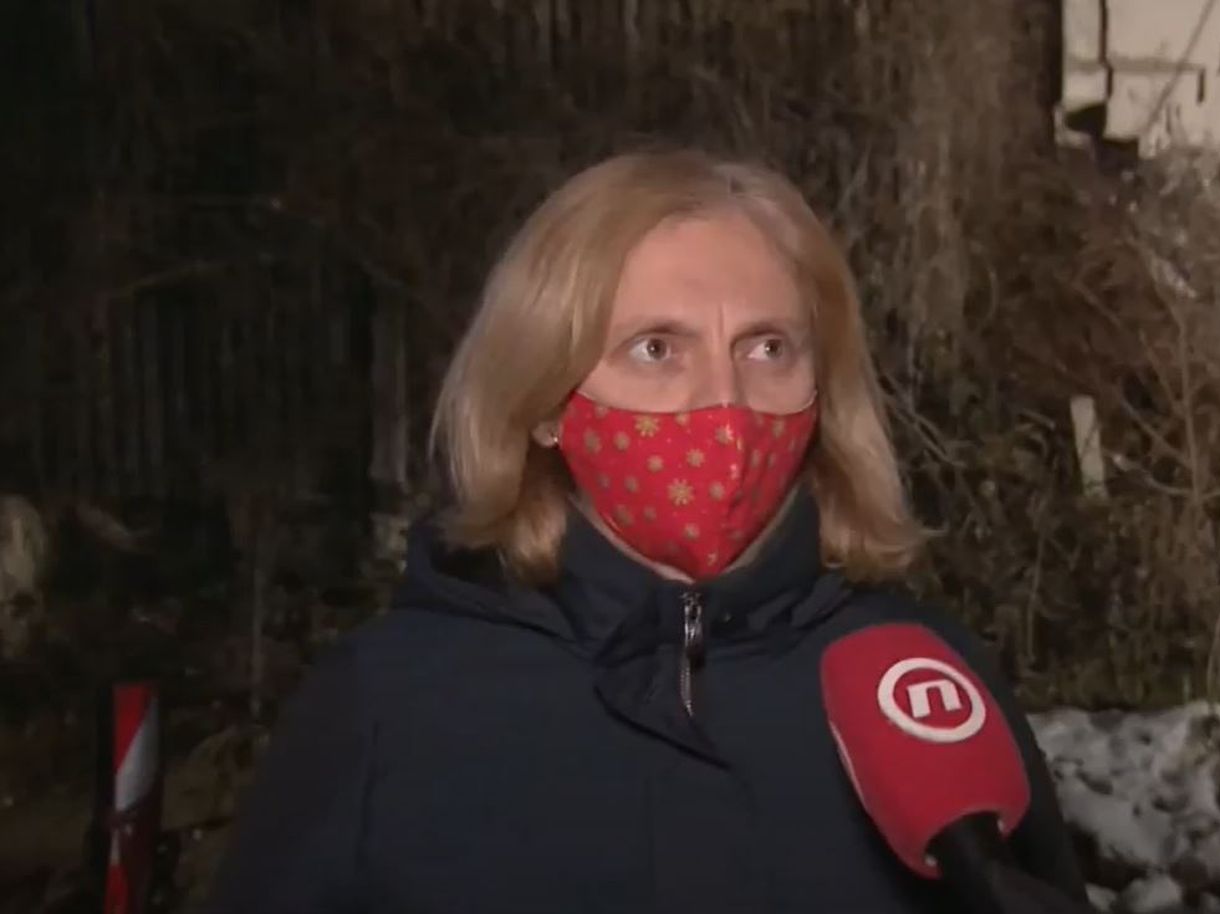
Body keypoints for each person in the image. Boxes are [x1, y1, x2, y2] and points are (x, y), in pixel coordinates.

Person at [205, 149, 1087, 913]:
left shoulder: (924, 686)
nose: (725, 402)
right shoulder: (388, 707)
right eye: (657, 349)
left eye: (768, 347)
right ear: (544, 397)